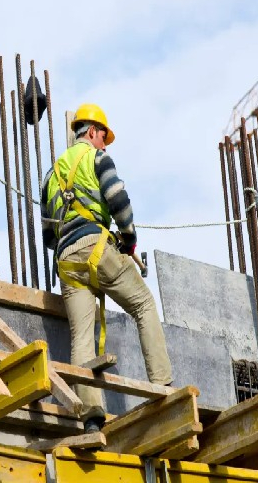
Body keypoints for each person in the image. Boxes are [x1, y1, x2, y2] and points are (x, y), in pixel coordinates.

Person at [40, 103, 173, 432]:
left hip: (67, 262)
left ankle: (91, 418)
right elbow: (118, 200)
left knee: (81, 337)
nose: (105, 144)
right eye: (104, 137)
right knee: (143, 304)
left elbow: (47, 235)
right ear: (93, 132)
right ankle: (164, 388)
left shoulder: (50, 175)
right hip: (96, 249)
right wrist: (128, 239)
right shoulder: (97, 158)